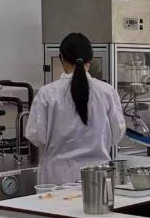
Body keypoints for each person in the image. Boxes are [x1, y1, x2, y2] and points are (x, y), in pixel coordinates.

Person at [25, 33, 125, 186]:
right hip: (97, 178)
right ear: (90, 59)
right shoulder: (106, 91)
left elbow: (36, 136)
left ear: (61, 58)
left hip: (57, 180)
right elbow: (117, 134)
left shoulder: (47, 93)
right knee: (94, 203)